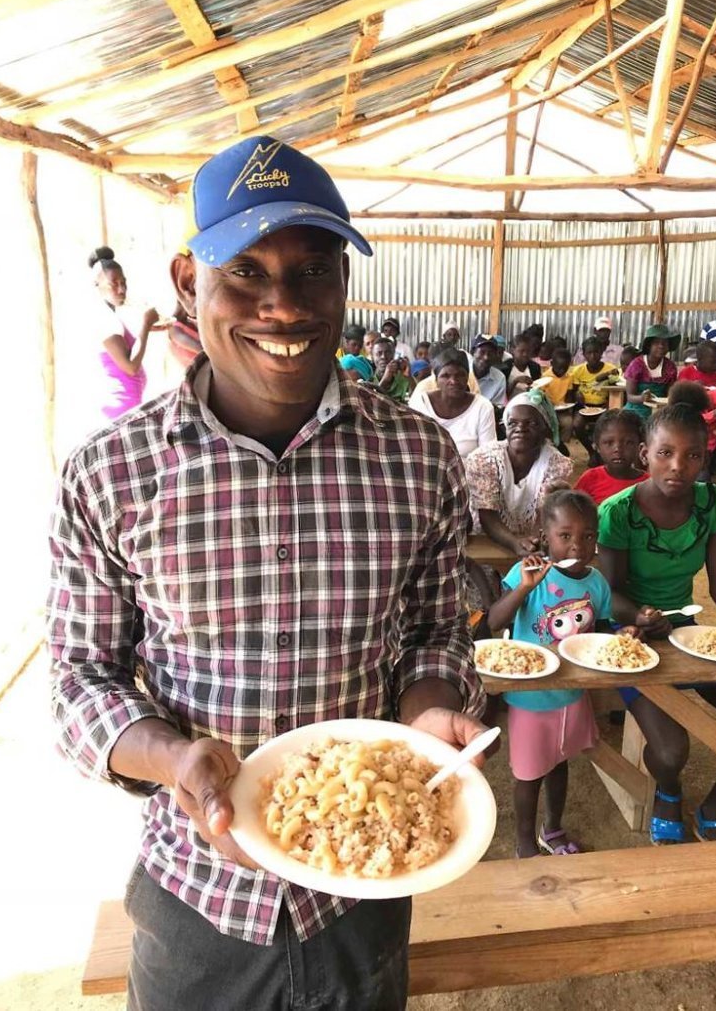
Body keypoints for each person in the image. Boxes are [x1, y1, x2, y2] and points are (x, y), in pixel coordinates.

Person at [49, 135, 489, 1011]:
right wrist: (173, 758)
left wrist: (425, 714)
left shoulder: (419, 458)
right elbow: (79, 678)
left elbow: (436, 632)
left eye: (311, 271)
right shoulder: (111, 473)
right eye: (245, 272)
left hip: (361, 893)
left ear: (343, 282)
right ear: (188, 283)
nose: (283, 306)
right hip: (196, 905)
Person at [598, 404, 716, 845]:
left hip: (686, 634)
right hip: (629, 639)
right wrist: (639, 616)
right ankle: (668, 791)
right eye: (665, 453)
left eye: (692, 455)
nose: (678, 465)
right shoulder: (618, 512)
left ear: (704, 458)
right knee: (671, 749)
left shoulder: (711, 503)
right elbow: (608, 593)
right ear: (645, 454)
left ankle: (714, 804)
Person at [487, 491, 637, 858]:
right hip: (531, 697)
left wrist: (624, 634)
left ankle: (551, 829)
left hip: (572, 693)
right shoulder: (528, 574)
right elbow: (494, 621)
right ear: (545, 536)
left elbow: (601, 629)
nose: (577, 546)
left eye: (588, 536)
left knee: (559, 763)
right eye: (565, 535)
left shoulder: (596, 582)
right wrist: (525, 586)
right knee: (528, 775)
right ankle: (524, 844)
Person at [465, 389, 573, 556]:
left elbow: (544, 514)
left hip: (535, 540)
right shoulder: (482, 459)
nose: (520, 428)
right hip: (486, 539)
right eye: (512, 423)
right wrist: (515, 543)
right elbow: (487, 515)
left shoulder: (558, 464)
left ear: (546, 428)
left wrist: (532, 544)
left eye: (531, 423)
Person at [88, 246, 165, 420]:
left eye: (123, 283)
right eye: (113, 284)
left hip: (127, 407)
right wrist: (145, 324)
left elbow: (125, 350)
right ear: (97, 286)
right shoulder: (103, 319)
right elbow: (130, 367)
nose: (121, 289)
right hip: (122, 411)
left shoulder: (108, 316)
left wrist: (147, 328)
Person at [409, 348, 496, 458]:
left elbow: (488, 456)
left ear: (467, 378)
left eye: (460, 375)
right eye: (445, 376)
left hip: (468, 469)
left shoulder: (482, 407)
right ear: (436, 380)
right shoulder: (420, 404)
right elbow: (411, 448)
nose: (453, 381)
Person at [574, 409, 646, 505]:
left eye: (628, 443)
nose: (618, 449)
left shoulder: (648, 484)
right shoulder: (590, 479)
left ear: (640, 446)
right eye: (609, 443)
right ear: (597, 446)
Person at [572, 335, 619, 455]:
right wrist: (576, 394)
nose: (593, 356)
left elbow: (616, 390)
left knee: (607, 427)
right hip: (583, 408)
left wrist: (608, 403)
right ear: (584, 354)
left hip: (603, 407)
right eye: (589, 353)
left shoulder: (610, 369)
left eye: (596, 352)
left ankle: (601, 453)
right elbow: (573, 391)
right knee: (577, 425)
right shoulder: (577, 371)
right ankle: (591, 452)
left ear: (602, 352)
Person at [623, 323, 679, 420]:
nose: (661, 346)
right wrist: (642, 398)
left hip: (659, 412)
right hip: (635, 411)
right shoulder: (636, 365)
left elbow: (669, 395)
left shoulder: (670, 367)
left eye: (665, 343)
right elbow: (630, 396)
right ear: (649, 345)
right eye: (656, 343)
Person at [542, 346, 575, 451]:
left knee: (568, 422)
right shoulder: (545, 377)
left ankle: (562, 444)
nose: (562, 371)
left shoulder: (569, 377)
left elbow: (569, 394)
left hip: (562, 409)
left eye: (565, 368)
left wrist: (569, 406)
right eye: (559, 368)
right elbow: (542, 395)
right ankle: (549, 446)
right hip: (548, 409)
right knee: (547, 424)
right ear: (552, 364)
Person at [371, 335, 413, 402]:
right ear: (372, 357)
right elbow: (371, 402)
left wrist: (409, 377)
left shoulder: (404, 378)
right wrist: (385, 380)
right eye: (379, 353)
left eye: (388, 353)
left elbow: (417, 400)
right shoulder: (368, 378)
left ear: (394, 355)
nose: (383, 357)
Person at [471, 334, 507, 406]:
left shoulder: (499, 378)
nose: (486, 357)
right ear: (473, 352)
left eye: (490, 353)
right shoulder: (462, 372)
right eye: (482, 352)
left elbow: (496, 407)